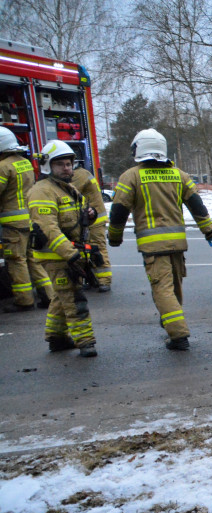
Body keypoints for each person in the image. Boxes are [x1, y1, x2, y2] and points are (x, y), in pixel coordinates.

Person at [107, 129, 212, 351]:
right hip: (177, 244)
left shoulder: (131, 176)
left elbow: (118, 212)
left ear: (139, 149)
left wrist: (114, 238)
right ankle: (170, 320)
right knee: (174, 287)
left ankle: (179, 335)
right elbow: (198, 207)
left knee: (163, 290)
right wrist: (209, 232)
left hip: (152, 246)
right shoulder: (179, 175)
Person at [26, 140, 97, 357]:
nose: (67, 168)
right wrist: (71, 255)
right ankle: (85, 342)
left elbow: (80, 215)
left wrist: (90, 214)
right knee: (75, 299)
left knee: (61, 296)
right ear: (48, 166)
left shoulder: (68, 189)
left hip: (69, 253)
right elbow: (48, 229)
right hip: (55, 256)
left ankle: (56, 339)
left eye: (69, 164)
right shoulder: (42, 192)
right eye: (61, 165)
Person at [1, 127, 53, 312]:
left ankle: (24, 300)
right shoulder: (25, 163)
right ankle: (49, 295)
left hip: (12, 222)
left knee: (17, 260)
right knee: (33, 258)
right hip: (29, 219)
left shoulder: (3, 166)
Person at [71, 163, 112, 292]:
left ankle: (104, 281)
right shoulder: (81, 172)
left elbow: (67, 191)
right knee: (86, 250)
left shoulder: (78, 175)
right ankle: (93, 278)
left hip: (94, 219)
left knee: (97, 248)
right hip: (89, 218)